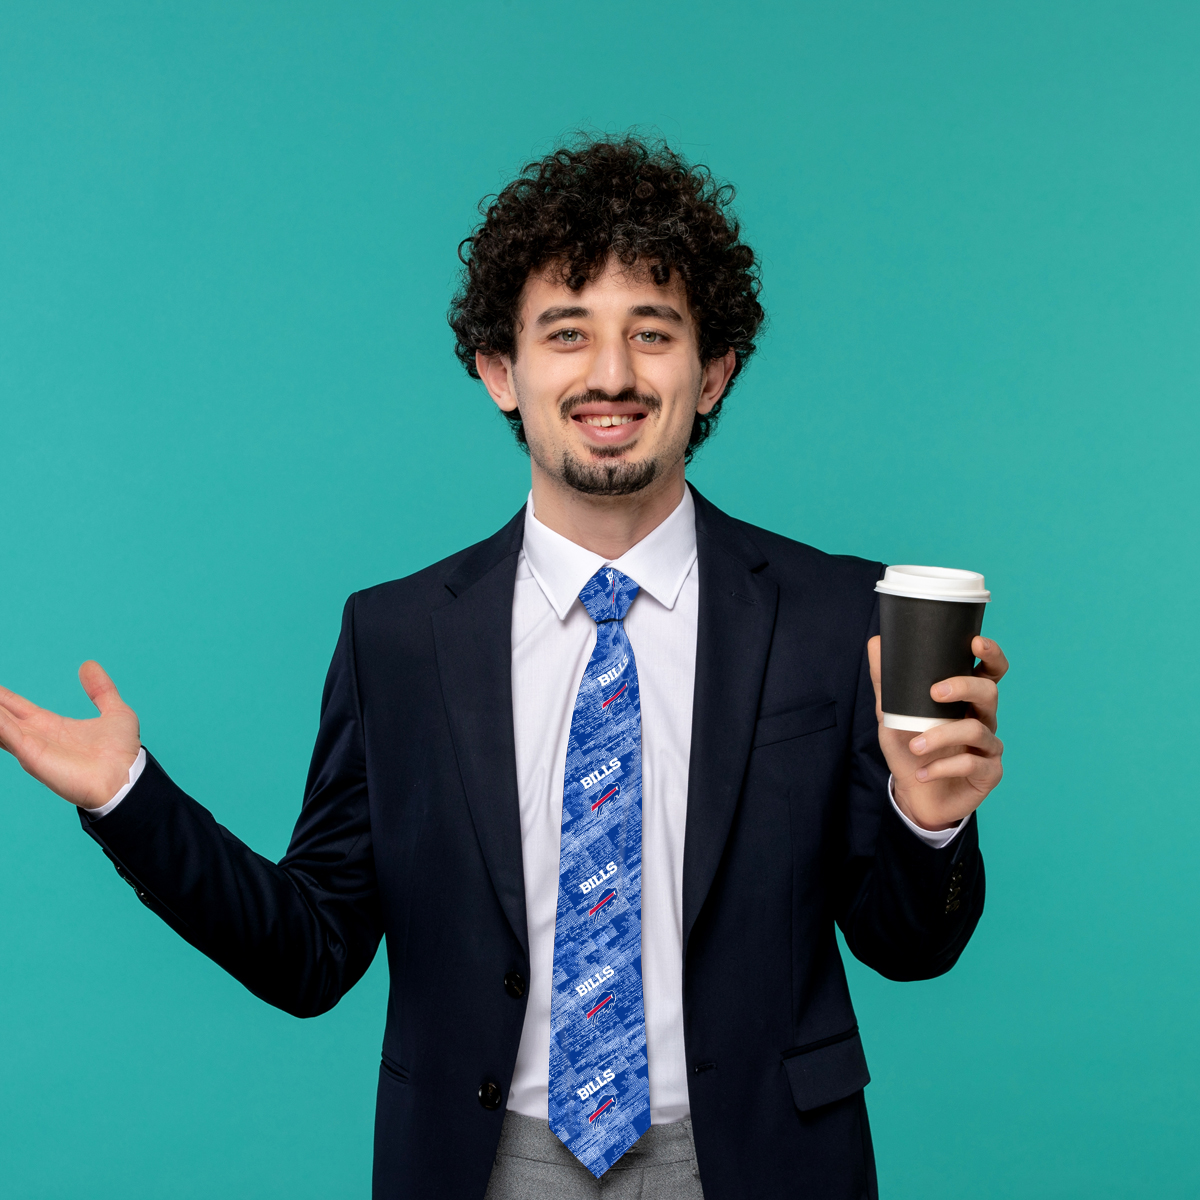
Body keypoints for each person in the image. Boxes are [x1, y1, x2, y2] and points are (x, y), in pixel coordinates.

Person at [0, 135, 1007, 1200]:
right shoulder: (396, 638)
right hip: (486, 1167)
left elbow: (909, 946)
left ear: (713, 372)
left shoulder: (836, 614)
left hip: (760, 1160)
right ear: (500, 371)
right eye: (565, 335)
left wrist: (930, 818)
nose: (610, 376)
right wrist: (128, 796)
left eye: (652, 335)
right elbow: (312, 953)